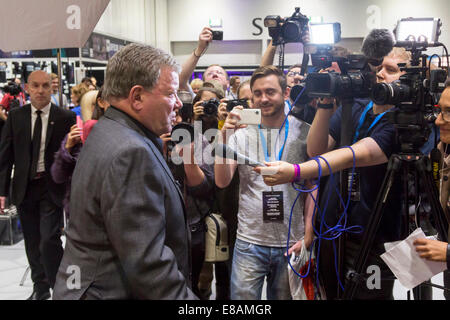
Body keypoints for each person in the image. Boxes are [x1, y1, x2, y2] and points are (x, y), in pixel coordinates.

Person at [255, 48, 413, 300]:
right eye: (381, 67)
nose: (380, 74)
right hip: (333, 228)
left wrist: (296, 171)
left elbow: (357, 154)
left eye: (391, 70)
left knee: (369, 296)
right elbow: (316, 149)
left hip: (372, 235)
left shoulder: (403, 122)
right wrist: (326, 102)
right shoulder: (358, 105)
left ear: (410, 80)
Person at [52, 43, 197, 300]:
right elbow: (149, 267)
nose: (178, 104)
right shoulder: (131, 152)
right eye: (171, 94)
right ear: (137, 96)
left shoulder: (110, 130)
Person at [215, 65, 314, 300]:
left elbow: (313, 186)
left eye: (270, 92)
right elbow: (222, 181)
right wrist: (224, 137)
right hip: (250, 242)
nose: (263, 99)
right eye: (257, 94)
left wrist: (308, 235)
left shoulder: (304, 132)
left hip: (292, 242)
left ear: (286, 93)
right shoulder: (240, 133)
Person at [0, 70, 76, 300]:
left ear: (52, 87)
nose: (41, 90)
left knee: (49, 239)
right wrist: (1, 192)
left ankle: (59, 287)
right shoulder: (16, 117)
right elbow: (5, 156)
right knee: (32, 243)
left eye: (45, 86)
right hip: (24, 187)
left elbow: (71, 156)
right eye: (35, 86)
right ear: (27, 88)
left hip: (51, 187)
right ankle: (40, 289)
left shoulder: (65, 117)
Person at [414, 80, 450, 299]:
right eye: (439, 111)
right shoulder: (443, 151)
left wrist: (447, 252)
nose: (438, 121)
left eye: (448, 113)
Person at [50, 89, 110, 221]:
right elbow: (58, 175)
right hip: (81, 208)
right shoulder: (75, 137)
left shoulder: (116, 133)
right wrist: (68, 149)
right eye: (92, 105)